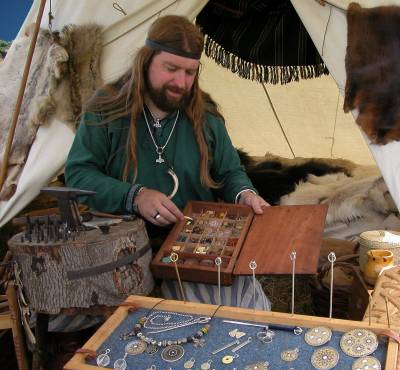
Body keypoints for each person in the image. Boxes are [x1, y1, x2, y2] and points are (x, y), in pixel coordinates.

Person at [65, 15, 271, 310]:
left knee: (247, 311)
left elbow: (230, 172)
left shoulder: (206, 115)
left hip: (194, 245)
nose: (181, 82)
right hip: (122, 246)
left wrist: (245, 194)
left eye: (190, 72)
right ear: (147, 60)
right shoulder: (107, 107)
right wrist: (135, 196)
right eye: (171, 68)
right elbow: (78, 174)